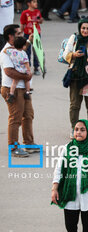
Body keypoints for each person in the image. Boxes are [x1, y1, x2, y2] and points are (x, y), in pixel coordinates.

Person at [0, 24, 39, 157]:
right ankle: (14, 147)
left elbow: (23, 48)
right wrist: (27, 76)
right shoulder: (5, 52)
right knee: (15, 118)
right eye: (18, 34)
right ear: (10, 36)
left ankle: (28, 143)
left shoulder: (16, 48)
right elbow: (9, 71)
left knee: (28, 115)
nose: (22, 36)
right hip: (13, 90)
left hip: (23, 89)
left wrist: (30, 40)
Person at [62, 16, 88, 138]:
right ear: (79, 28)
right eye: (83, 28)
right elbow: (65, 54)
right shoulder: (74, 38)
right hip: (75, 75)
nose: (85, 30)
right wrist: (73, 54)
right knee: (74, 104)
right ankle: (74, 129)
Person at [0, 0, 29, 86]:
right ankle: (2, 82)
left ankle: (14, 82)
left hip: (11, 31)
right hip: (1, 32)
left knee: (15, 54)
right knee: (3, 56)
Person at [4, 36, 31, 103]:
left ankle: (11, 93)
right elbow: (26, 63)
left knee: (14, 82)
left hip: (17, 70)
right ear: (23, 46)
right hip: (24, 70)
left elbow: (5, 50)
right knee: (26, 81)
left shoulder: (11, 51)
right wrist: (28, 70)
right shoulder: (23, 53)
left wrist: (11, 47)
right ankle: (27, 92)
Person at [20, 0, 43, 75]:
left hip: (37, 34)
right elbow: (22, 24)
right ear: (28, 4)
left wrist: (40, 20)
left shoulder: (37, 11)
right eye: (34, 2)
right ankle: (28, 67)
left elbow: (40, 21)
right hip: (27, 34)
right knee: (27, 51)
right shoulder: (25, 13)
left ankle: (36, 67)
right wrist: (20, 32)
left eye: (36, 1)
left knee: (36, 51)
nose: (36, 3)